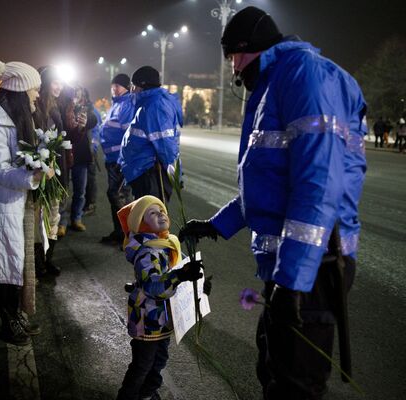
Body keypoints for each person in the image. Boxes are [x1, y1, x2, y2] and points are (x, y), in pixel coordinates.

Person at [178, 6, 367, 400]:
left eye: (232, 58)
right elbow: (270, 184)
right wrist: (218, 224)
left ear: (245, 51)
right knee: (273, 369)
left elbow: (317, 185)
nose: (232, 71)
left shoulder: (304, 75)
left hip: (314, 266)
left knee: (294, 385)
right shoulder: (275, 81)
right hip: (292, 268)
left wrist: (293, 282)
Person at [0, 60, 54, 345]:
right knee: (5, 264)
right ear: (20, 91)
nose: (37, 95)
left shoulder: (17, 116)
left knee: (13, 262)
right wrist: (32, 174)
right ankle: (8, 322)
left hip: (15, 203)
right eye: (34, 90)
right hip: (1, 203)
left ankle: (14, 315)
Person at [115, 195, 203, 400]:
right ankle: (127, 396)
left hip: (162, 318)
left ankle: (146, 393)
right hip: (147, 318)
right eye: (152, 213)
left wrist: (195, 284)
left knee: (159, 360)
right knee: (143, 364)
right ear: (142, 224)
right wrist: (180, 275)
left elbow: (172, 277)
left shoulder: (164, 244)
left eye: (161, 210)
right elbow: (153, 286)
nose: (161, 214)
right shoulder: (147, 253)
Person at [119, 66, 183, 203]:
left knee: (150, 219)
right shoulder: (149, 103)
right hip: (144, 172)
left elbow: (166, 146)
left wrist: (174, 175)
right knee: (145, 218)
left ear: (141, 86)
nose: (131, 90)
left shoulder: (155, 106)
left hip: (151, 175)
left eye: (133, 85)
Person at [32, 65, 65, 275]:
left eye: (61, 83)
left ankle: (48, 258)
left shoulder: (55, 107)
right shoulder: (35, 107)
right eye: (55, 82)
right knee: (38, 216)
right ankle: (37, 262)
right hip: (39, 168)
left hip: (54, 169)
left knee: (54, 214)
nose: (59, 87)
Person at [100, 73, 135, 245]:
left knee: (119, 194)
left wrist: (123, 158)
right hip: (111, 158)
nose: (114, 88)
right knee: (114, 194)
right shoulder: (116, 104)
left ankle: (129, 236)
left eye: (118, 86)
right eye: (113, 85)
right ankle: (119, 232)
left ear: (126, 87)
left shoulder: (126, 105)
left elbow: (128, 135)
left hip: (119, 159)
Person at [58, 84, 98, 233]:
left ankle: (76, 218)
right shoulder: (62, 107)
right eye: (73, 94)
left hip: (81, 155)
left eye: (78, 94)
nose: (76, 96)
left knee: (80, 191)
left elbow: (94, 120)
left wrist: (85, 120)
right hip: (64, 153)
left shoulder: (87, 109)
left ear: (83, 95)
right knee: (62, 190)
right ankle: (61, 222)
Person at [82, 89, 102, 216]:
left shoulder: (93, 111)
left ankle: (90, 204)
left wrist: (93, 146)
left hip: (89, 151)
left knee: (90, 178)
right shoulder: (73, 107)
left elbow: (96, 131)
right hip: (79, 150)